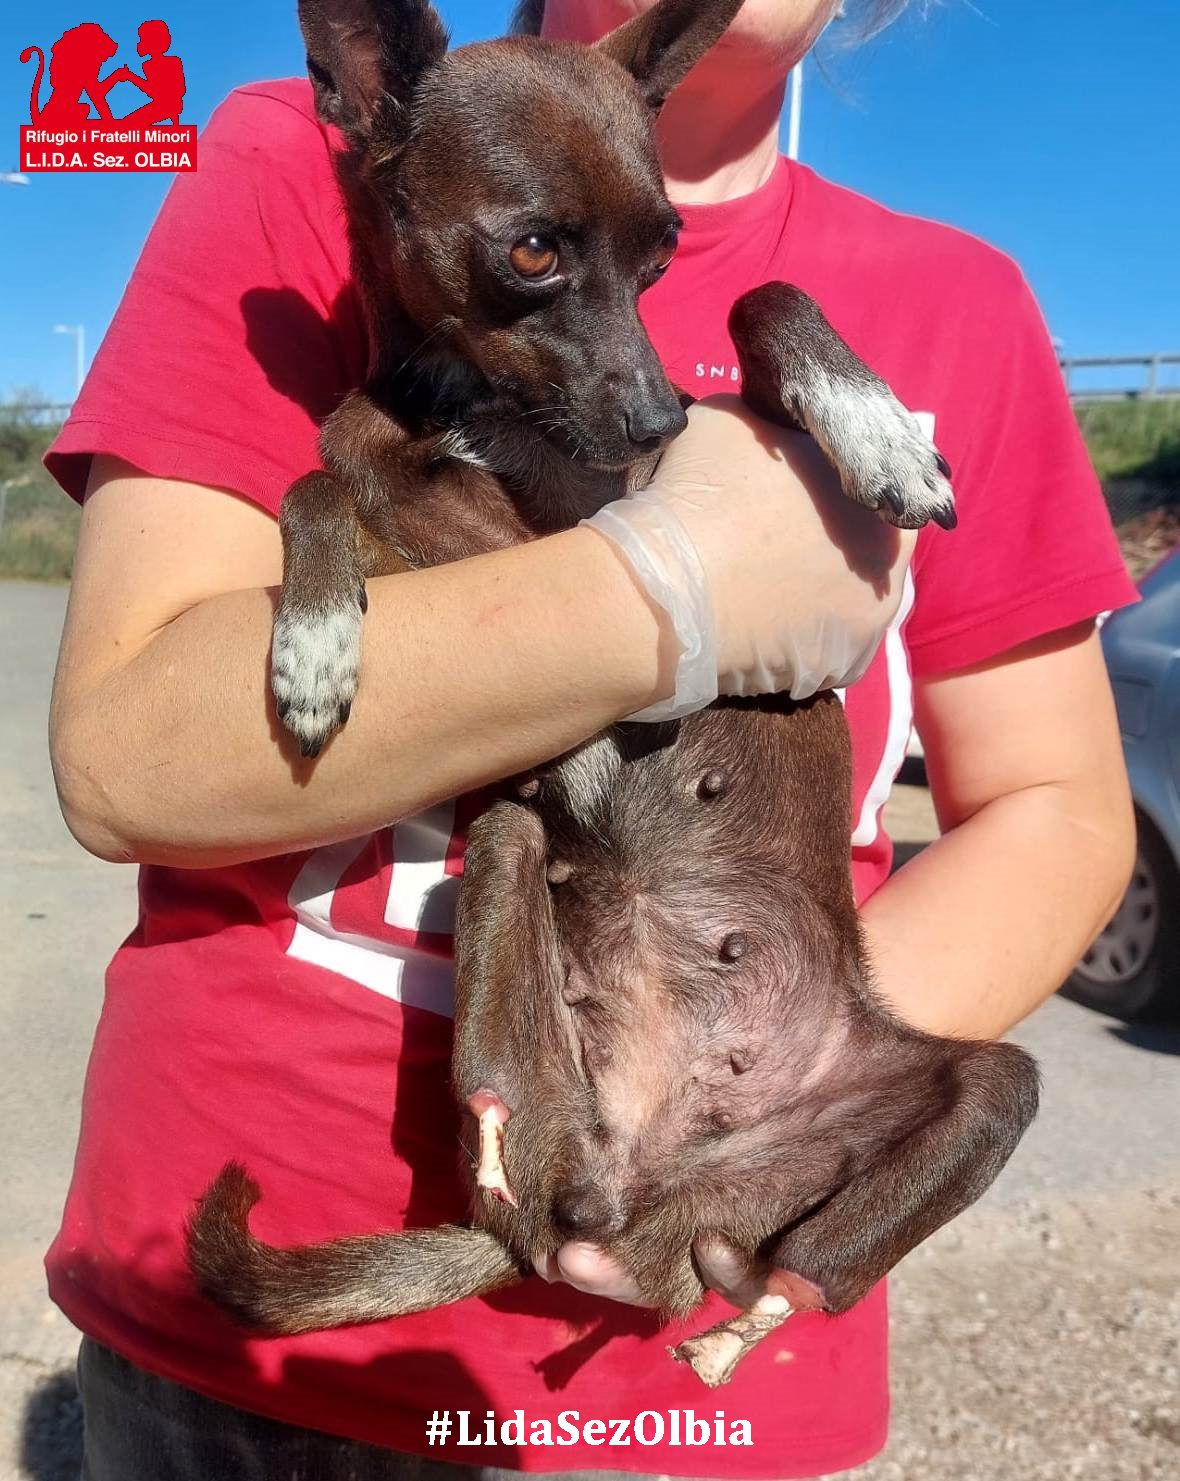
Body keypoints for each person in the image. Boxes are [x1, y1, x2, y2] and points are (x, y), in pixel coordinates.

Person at [46, 0, 1137, 1476]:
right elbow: (124, 750)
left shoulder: (963, 301)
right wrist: (663, 599)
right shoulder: (308, 167)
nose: (630, 381)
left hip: (701, 1354)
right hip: (247, 1363)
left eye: (646, 269)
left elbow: (1057, 810)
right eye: (541, 259)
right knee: (500, 830)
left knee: (990, 1088)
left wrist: (759, 1108)